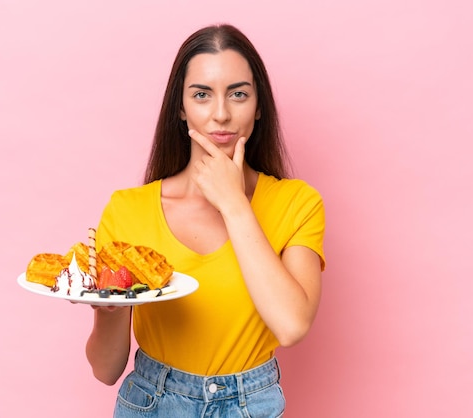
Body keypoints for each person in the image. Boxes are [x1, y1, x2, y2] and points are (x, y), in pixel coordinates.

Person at [85, 23, 326, 417]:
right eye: (202, 95)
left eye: (239, 94)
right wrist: (106, 312)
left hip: (251, 405)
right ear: (180, 108)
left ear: (259, 105)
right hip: (152, 402)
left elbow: (291, 325)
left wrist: (234, 205)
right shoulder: (127, 210)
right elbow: (106, 369)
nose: (221, 114)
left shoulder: (297, 203)